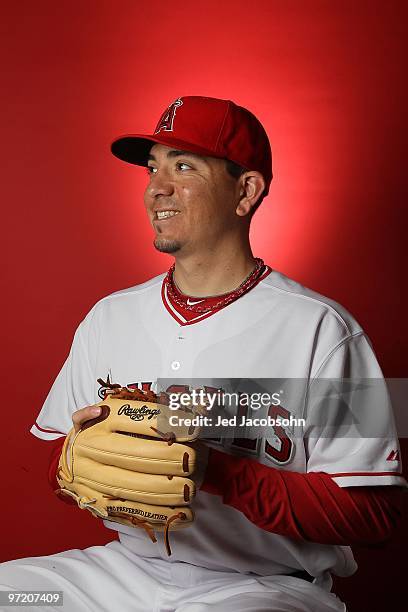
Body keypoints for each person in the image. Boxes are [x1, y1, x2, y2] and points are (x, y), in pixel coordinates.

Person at [1, 96, 405, 612]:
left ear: (246, 191)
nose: (157, 188)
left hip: (263, 587)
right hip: (125, 572)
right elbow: (55, 451)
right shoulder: (109, 317)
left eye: (184, 166)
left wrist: (213, 469)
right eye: (153, 169)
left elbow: (374, 514)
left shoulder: (324, 330)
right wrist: (79, 462)